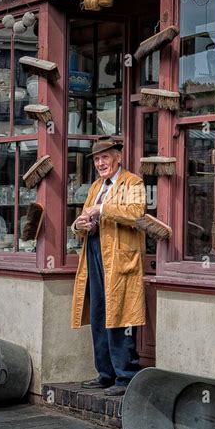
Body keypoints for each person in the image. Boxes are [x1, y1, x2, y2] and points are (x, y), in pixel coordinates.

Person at [70, 137, 145, 396]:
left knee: (120, 316)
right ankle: (105, 374)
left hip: (119, 258)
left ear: (118, 158)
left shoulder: (132, 182)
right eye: (97, 159)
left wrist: (101, 208)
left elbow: (136, 213)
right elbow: (84, 218)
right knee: (99, 313)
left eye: (105, 157)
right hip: (94, 251)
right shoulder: (95, 186)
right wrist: (79, 226)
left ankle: (125, 377)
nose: (101, 163)